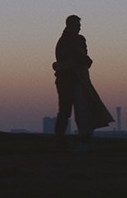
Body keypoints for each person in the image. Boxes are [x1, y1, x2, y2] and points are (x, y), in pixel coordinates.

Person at [53, 15, 113, 152]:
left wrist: (63, 65)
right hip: (69, 81)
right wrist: (67, 64)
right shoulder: (67, 41)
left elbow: (84, 60)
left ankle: (69, 142)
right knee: (68, 112)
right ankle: (65, 142)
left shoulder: (73, 40)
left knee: (75, 112)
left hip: (74, 80)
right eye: (77, 26)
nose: (79, 28)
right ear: (70, 26)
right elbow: (82, 59)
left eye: (79, 26)